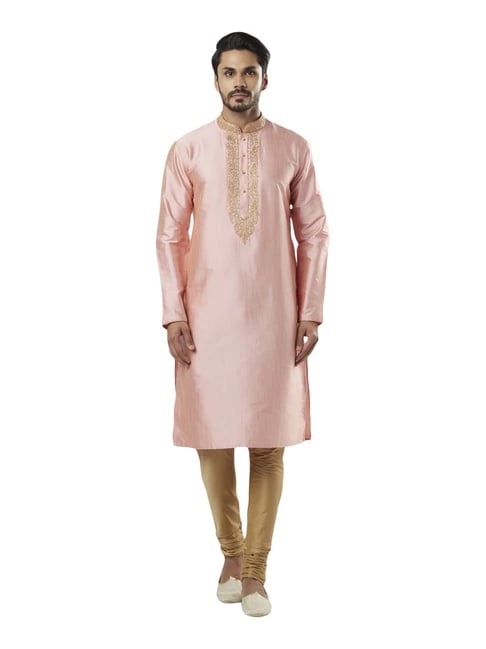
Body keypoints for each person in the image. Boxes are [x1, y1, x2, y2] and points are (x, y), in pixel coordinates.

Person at [155, 31, 330, 617]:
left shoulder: (293, 148)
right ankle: (230, 553)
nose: (239, 83)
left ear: (264, 79)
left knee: (267, 441)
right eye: (229, 73)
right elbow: (169, 237)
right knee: (211, 437)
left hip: (275, 314)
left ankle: (255, 570)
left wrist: (310, 310)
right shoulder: (188, 150)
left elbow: (314, 232)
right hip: (206, 317)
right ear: (215, 79)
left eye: (249, 72)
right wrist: (174, 312)